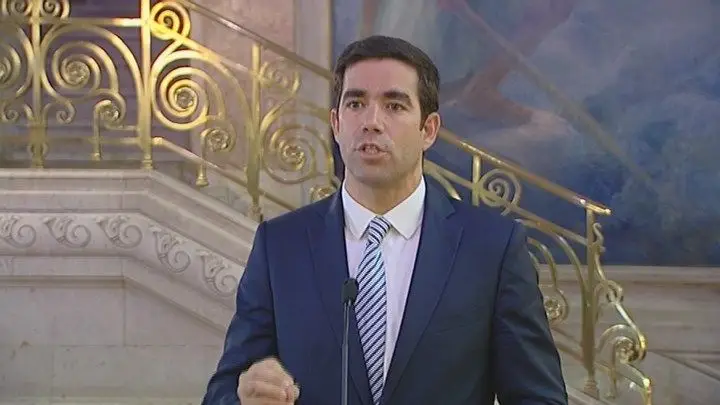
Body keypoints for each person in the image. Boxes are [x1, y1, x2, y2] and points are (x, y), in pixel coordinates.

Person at [201, 35, 568, 405]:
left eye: (394, 105)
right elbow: (223, 392)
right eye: (356, 104)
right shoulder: (281, 245)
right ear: (336, 123)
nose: (371, 122)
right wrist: (243, 398)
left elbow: (539, 397)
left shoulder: (492, 248)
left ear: (429, 130)